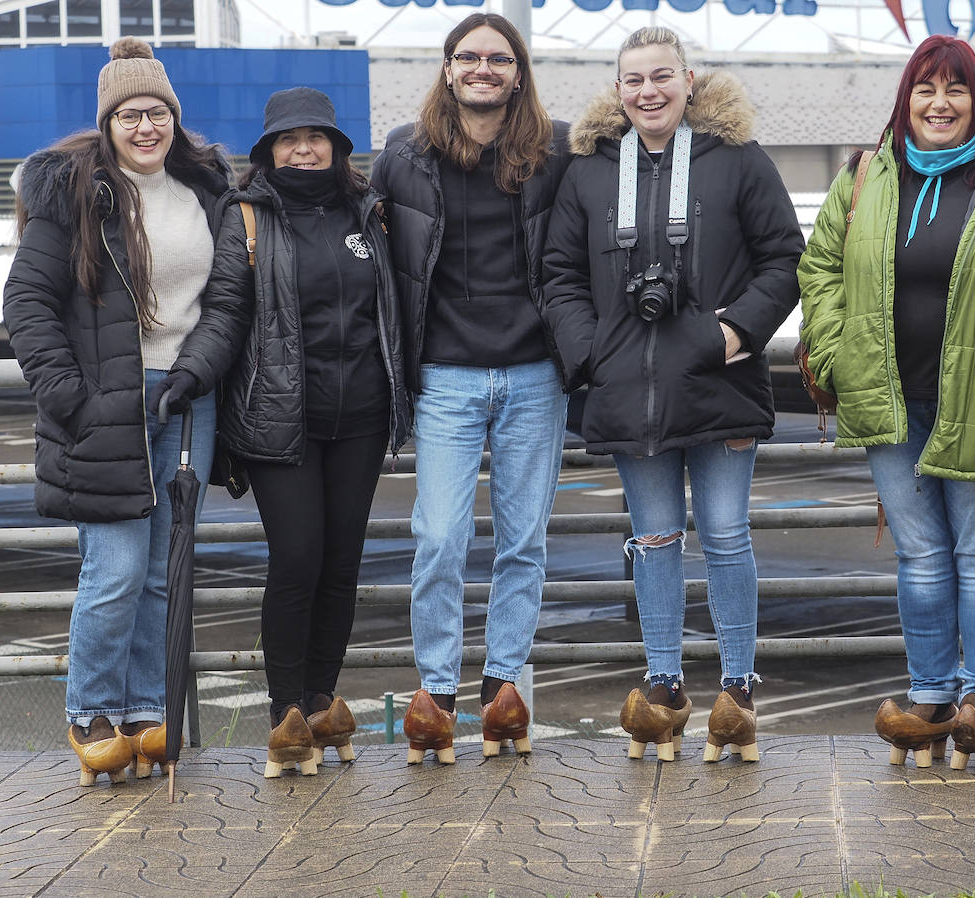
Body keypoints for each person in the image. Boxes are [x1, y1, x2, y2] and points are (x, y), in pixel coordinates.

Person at [798, 34, 975, 771]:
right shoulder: (866, 177)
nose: (940, 103)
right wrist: (835, 354)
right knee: (920, 556)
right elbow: (819, 269)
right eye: (926, 88)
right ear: (906, 98)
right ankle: (932, 698)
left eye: (956, 89)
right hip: (890, 399)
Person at [543, 27, 803, 763]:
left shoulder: (740, 163)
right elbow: (559, 273)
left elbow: (785, 258)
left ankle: (737, 692)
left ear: (690, 80)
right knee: (654, 542)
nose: (648, 92)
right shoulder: (590, 171)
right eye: (633, 81)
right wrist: (591, 352)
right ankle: (662, 687)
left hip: (718, 379)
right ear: (616, 91)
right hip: (628, 389)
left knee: (724, 537)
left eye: (662, 77)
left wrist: (732, 335)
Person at [2, 38, 243, 786]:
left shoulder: (204, 193)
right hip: (104, 404)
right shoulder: (76, 194)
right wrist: (68, 395)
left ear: (175, 118)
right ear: (108, 122)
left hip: (186, 399)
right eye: (131, 114)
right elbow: (26, 302)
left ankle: (145, 710)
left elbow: (224, 300)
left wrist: (196, 372)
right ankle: (90, 714)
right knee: (115, 569)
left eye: (158, 112)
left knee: (162, 573)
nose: (147, 127)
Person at [370, 13, 571, 764]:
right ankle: (436, 696)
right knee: (441, 538)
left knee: (524, 541)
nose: (483, 68)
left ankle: (502, 693)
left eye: (499, 58)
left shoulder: (554, 154)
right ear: (448, 68)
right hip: (446, 376)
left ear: (518, 72)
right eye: (469, 57)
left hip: (533, 372)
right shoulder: (404, 157)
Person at [209, 87, 409, 778]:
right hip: (278, 418)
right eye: (288, 139)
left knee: (342, 563)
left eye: (316, 137)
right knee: (298, 558)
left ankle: (322, 700)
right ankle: (285, 712)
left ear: (337, 147)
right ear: (267, 152)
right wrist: (191, 373)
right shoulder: (247, 218)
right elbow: (227, 311)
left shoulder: (369, 215)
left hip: (360, 417)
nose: (303, 148)